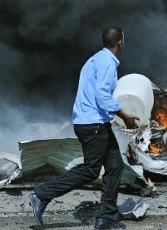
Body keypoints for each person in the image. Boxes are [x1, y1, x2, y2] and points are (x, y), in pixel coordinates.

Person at [28, 26, 140, 229]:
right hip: (93, 125)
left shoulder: (95, 59)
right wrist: (125, 116)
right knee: (90, 170)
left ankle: (106, 217)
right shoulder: (107, 63)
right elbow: (102, 96)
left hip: (93, 123)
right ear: (120, 42)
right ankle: (41, 194)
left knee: (115, 166)